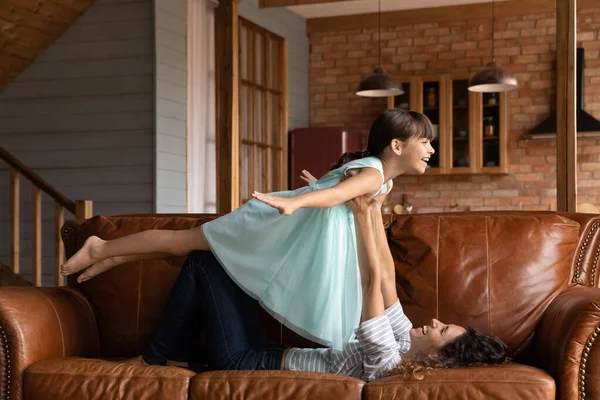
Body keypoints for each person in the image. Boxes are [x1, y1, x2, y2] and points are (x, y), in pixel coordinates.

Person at [61, 109, 436, 351]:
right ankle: (100, 248)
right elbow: (339, 194)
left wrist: (312, 192)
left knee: (186, 248)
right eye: (425, 141)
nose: (430, 149)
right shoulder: (372, 173)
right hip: (272, 229)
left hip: (282, 239)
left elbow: (338, 196)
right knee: (181, 243)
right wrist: (297, 202)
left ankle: (112, 256)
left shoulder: (379, 179)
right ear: (397, 145)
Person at [131, 187, 508, 382]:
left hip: (244, 361)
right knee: (228, 262)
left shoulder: (387, 362)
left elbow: (372, 280)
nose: (435, 321)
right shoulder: (404, 338)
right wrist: (376, 209)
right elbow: (389, 273)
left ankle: (154, 356)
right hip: (264, 350)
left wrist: (361, 214)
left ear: (436, 358)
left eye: (441, 331)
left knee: (203, 260)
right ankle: (175, 354)